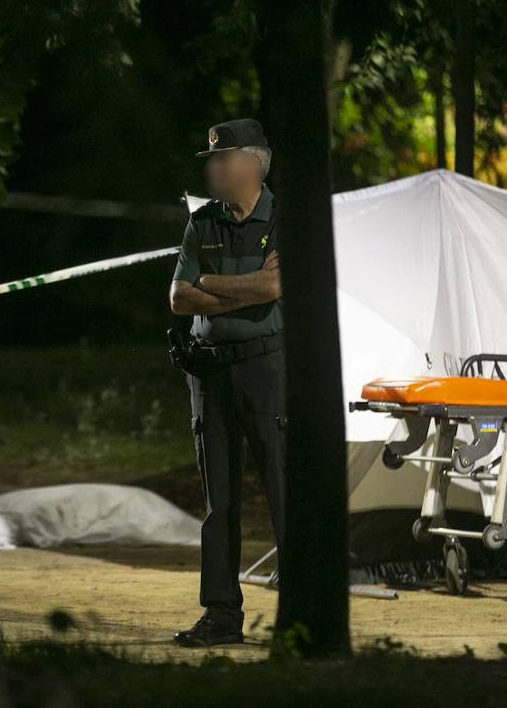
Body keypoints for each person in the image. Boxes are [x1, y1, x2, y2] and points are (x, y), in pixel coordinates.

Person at [167, 118, 286, 647]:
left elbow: (277, 286)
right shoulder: (203, 221)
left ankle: (299, 611)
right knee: (220, 502)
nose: (212, 165)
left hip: (266, 370)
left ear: (253, 162)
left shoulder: (283, 217)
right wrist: (247, 287)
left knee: (284, 491)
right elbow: (178, 297)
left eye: (222, 157)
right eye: (211, 158)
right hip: (210, 371)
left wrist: (210, 284)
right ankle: (221, 614)